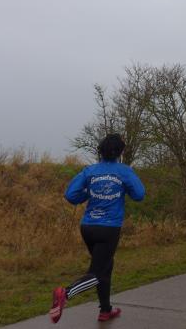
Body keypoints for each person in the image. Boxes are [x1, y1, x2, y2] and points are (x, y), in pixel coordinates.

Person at [49, 133, 145, 324]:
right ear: (120, 152)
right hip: (108, 229)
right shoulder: (124, 171)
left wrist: (89, 193)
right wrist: (124, 188)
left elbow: (71, 195)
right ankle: (65, 293)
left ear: (100, 151)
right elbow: (139, 195)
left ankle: (106, 310)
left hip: (88, 227)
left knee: (105, 267)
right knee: (98, 272)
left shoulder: (89, 171)